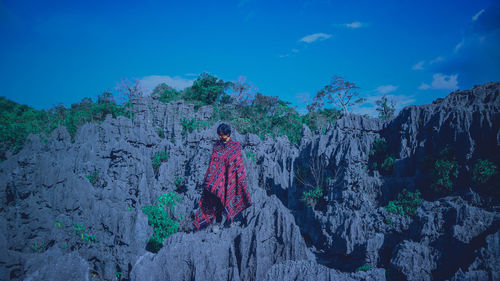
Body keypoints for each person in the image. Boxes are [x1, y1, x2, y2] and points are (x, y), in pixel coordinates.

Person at [191, 123, 252, 233]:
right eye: (219, 134)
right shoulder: (217, 146)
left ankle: (229, 221)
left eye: (223, 135)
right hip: (218, 181)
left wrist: (238, 179)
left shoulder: (235, 146)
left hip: (231, 179)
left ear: (228, 134)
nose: (220, 137)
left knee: (229, 198)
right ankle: (217, 223)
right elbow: (213, 163)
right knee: (217, 200)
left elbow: (238, 164)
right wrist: (210, 179)